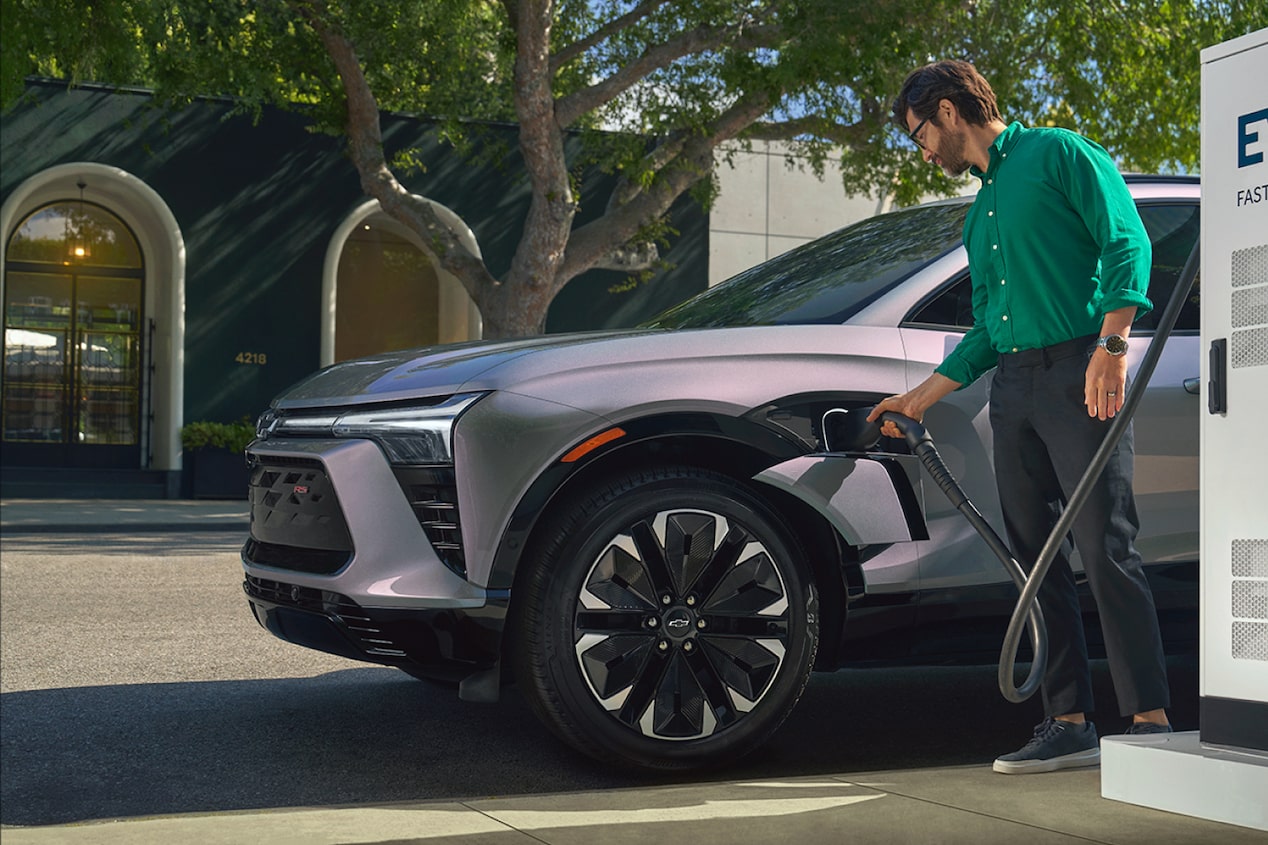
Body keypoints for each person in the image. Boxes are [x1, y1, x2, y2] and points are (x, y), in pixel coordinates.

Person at [873, 60, 1172, 775]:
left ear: (946, 112)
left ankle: (1152, 721)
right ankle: (1068, 722)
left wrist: (1112, 343)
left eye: (918, 134)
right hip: (1013, 386)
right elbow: (984, 329)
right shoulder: (980, 213)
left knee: (1105, 545)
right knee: (1035, 561)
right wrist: (916, 399)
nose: (922, 151)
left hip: (1080, 370)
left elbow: (1127, 240)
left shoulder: (1060, 153)